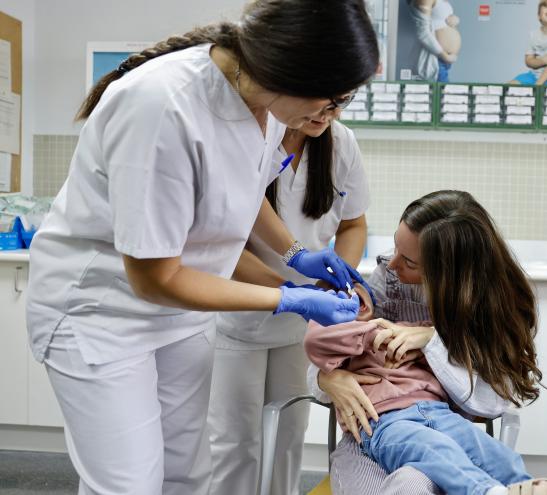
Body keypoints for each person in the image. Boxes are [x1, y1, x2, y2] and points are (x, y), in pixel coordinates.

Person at [24, 1, 378, 493]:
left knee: (187, 475)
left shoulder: (268, 109)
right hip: (101, 311)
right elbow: (155, 277)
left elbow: (244, 190)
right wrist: (288, 296)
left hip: (178, 316)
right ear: (289, 71)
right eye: (332, 99)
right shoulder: (161, 106)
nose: (330, 114)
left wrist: (295, 254)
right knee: (129, 484)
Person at [308, 191, 547, 495]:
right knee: (415, 473)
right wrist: (329, 378)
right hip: (379, 427)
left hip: (443, 425)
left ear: (447, 274)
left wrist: (432, 341)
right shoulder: (378, 296)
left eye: (408, 261)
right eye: (395, 246)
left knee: (476, 458)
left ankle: (520, 488)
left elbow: (493, 401)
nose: (391, 265)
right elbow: (317, 344)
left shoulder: (488, 306)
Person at [208, 115, 371, 495]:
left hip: (302, 324)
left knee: (288, 438)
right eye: (321, 97)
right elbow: (224, 245)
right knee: (235, 442)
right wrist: (289, 289)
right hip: (237, 313)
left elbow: (353, 224)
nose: (325, 113)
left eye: (338, 102)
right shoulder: (253, 138)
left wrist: (330, 284)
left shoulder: (341, 143)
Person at [409, 0, 460, 82]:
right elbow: (423, 34)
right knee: (439, 94)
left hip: (443, 61)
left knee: (442, 93)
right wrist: (445, 57)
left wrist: (455, 22)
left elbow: (440, 22)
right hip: (435, 61)